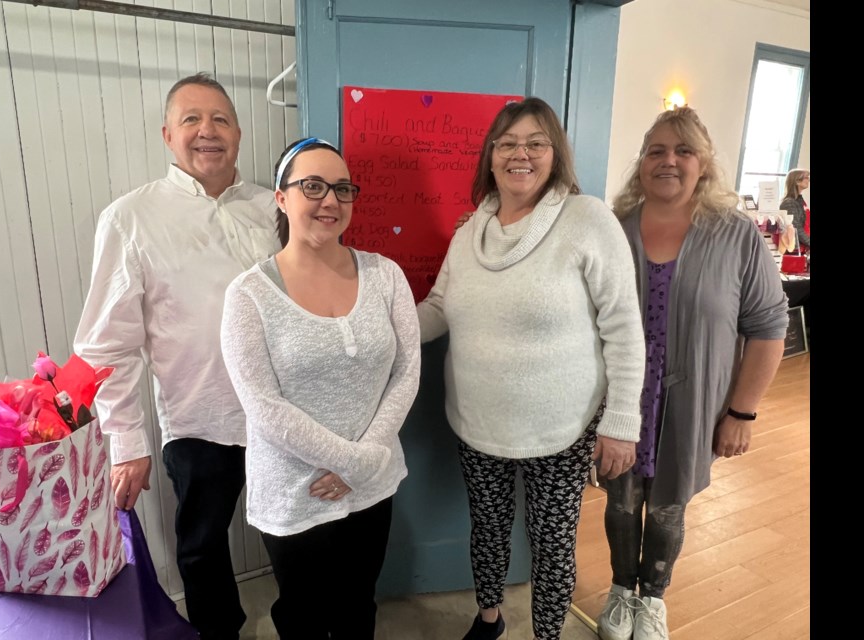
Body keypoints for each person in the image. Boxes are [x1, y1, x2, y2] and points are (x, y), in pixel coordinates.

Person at [417, 97, 646, 640]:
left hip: (562, 429)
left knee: (552, 544)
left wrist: (620, 423)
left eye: (536, 142)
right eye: (508, 143)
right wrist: (368, 319)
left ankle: (547, 635)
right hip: (477, 422)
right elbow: (437, 308)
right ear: (491, 156)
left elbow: (625, 328)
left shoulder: (587, 219)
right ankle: (490, 618)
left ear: (555, 154)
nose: (521, 153)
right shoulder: (472, 229)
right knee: (488, 530)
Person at [73, 73, 281, 640]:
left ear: (239, 132)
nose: (206, 131)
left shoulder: (275, 209)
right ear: (168, 134)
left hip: (281, 418)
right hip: (198, 418)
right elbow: (104, 344)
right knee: (201, 548)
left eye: (219, 119)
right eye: (191, 119)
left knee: (294, 541)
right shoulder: (131, 218)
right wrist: (127, 442)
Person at [596, 107, 789, 640]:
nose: (669, 161)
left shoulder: (736, 235)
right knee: (621, 499)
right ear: (641, 164)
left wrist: (742, 412)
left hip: (694, 398)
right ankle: (619, 588)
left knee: (667, 503)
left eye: (683, 151)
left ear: (703, 164)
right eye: (656, 150)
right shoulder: (613, 230)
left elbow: (769, 325)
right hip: (622, 400)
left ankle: (653, 596)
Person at [220, 138, 421, 639]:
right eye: (312, 186)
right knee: (303, 616)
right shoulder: (249, 294)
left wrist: (364, 460)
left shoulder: (386, 276)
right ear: (282, 198)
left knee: (358, 605)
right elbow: (263, 405)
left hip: (372, 482)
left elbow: (408, 370)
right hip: (295, 490)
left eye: (341, 189)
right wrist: (352, 461)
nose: (330, 200)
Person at [779, 168, 810, 254]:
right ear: (797, 182)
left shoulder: (800, 200)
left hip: (803, 248)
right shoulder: (789, 203)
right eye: (806, 178)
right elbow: (796, 229)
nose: (809, 180)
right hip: (794, 250)